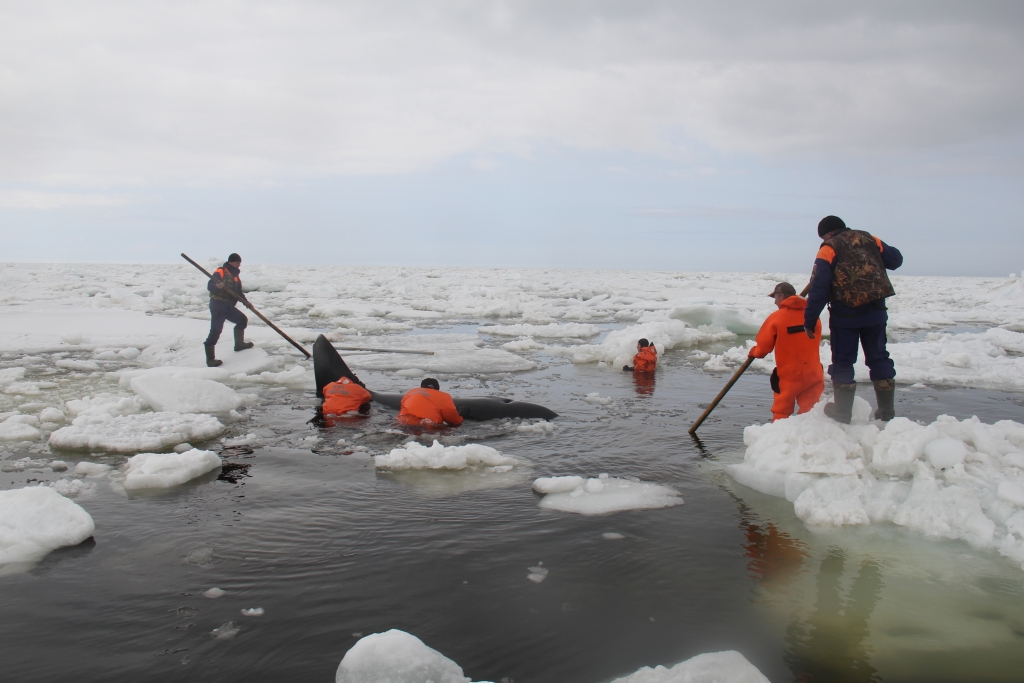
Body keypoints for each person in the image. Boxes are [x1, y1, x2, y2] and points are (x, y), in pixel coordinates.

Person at [804, 216, 903, 423]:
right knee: (879, 358)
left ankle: (842, 412)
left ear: (828, 233)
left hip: (845, 316)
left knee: (843, 361)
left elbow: (819, 287)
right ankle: (886, 413)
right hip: (876, 312)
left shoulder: (828, 248)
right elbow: (896, 260)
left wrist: (810, 318)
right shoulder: (869, 239)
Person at [749, 282, 824, 421]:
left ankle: (779, 437)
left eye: (775, 298)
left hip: (789, 375)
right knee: (809, 413)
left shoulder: (777, 317)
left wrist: (753, 352)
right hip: (814, 372)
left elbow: (762, 350)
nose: (775, 302)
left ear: (782, 296)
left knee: (781, 411)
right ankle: (808, 438)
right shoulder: (814, 316)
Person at [204, 253, 254, 368]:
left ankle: (239, 344)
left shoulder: (235, 275)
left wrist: (246, 302)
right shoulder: (220, 272)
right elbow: (210, 286)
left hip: (228, 306)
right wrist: (217, 286)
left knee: (242, 320)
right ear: (231, 262)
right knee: (216, 331)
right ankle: (210, 360)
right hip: (218, 306)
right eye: (237, 263)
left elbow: (238, 292)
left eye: (240, 263)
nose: (239, 265)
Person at [398, 378, 464, 426]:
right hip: (427, 426)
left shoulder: (410, 392)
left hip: (402, 421)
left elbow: (403, 408)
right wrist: (461, 417)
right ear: (437, 388)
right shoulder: (443, 396)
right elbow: (452, 419)